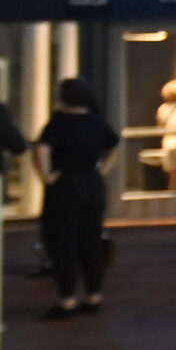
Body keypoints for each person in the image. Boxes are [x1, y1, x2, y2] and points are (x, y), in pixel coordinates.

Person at [32, 77, 119, 319]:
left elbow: (41, 149)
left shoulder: (58, 123)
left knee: (64, 242)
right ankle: (94, 295)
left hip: (66, 184)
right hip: (92, 183)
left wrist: (47, 177)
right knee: (91, 240)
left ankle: (67, 299)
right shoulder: (96, 122)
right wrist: (101, 169)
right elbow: (114, 145)